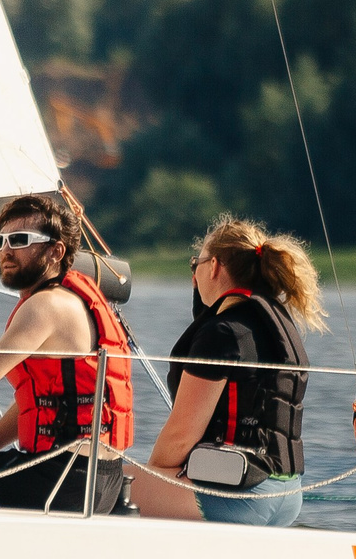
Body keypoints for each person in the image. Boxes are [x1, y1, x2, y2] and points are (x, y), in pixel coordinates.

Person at [0, 191, 134, 513]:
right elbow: (36, 403)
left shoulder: (46, 305)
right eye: (2, 241)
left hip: (62, 476)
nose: (6, 251)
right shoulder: (70, 298)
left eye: (21, 239)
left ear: (56, 251)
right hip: (100, 478)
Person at [130, 216, 324, 528]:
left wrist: (152, 478)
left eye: (197, 263)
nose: (194, 275)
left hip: (238, 495)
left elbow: (180, 437)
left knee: (103, 485)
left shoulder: (222, 333)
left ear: (216, 266)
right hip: (286, 494)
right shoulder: (270, 326)